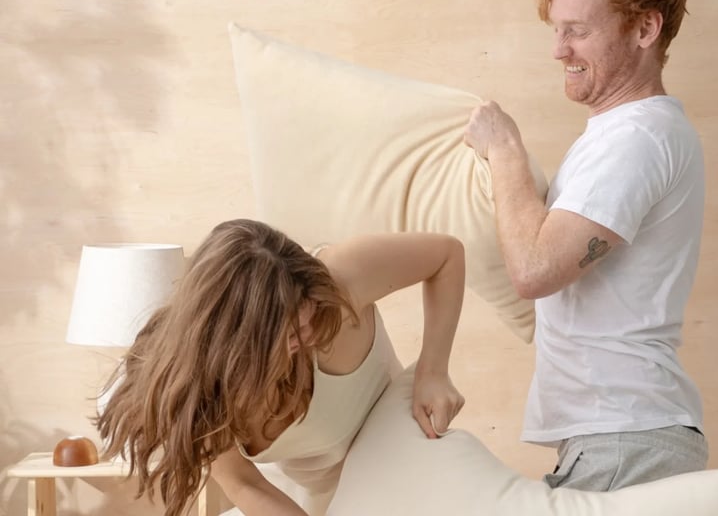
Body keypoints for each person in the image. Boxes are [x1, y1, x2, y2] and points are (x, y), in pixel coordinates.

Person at [463, 0, 707, 492]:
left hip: (624, 438)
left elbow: (534, 269)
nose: (559, 50)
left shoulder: (636, 138)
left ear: (645, 29)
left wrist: (504, 149)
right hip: (620, 436)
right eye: (556, 30)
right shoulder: (624, 134)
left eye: (577, 30)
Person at [96, 218, 466, 516]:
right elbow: (244, 482)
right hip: (299, 502)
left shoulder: (338, 280)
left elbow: (446, 254)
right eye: (289, 333)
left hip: (400, 466)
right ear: (236, 344)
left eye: (308, 316)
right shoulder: (205, 387)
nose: (308, 334)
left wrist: (433, 371)